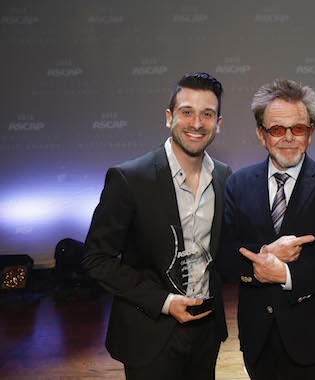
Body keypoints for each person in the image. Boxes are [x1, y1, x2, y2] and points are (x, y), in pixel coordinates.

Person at [82, 72, 231, 380]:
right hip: (148, 332)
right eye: (186, 112)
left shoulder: (225, 177)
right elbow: (96, 259)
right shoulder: (129, 179)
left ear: (218, 123)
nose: (196, 123)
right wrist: (164, 302)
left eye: (207, 114)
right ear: (169, 117)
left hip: (206, 331)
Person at [218, 79, 315, 380]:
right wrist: (262, 262)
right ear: (261, 134)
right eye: (276, 129)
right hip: (258, 339)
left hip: (314, 340)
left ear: (310, 132)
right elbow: (224, 256)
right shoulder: (238, 184)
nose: (288, 138)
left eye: (298, 128)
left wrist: (286, 275)